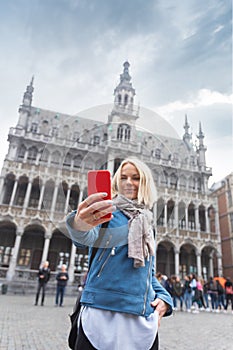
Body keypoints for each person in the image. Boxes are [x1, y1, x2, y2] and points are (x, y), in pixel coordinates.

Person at [66, 158, 173, 350]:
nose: (129, 182)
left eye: (136, 178)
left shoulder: (148, 224)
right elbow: (83, 237)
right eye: (123, 177)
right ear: (116, 181)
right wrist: (78, 224)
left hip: (141, 319)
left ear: (145, 182)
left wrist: (165, 298)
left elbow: (149, 274)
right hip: (101, 316)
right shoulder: (105, 214)